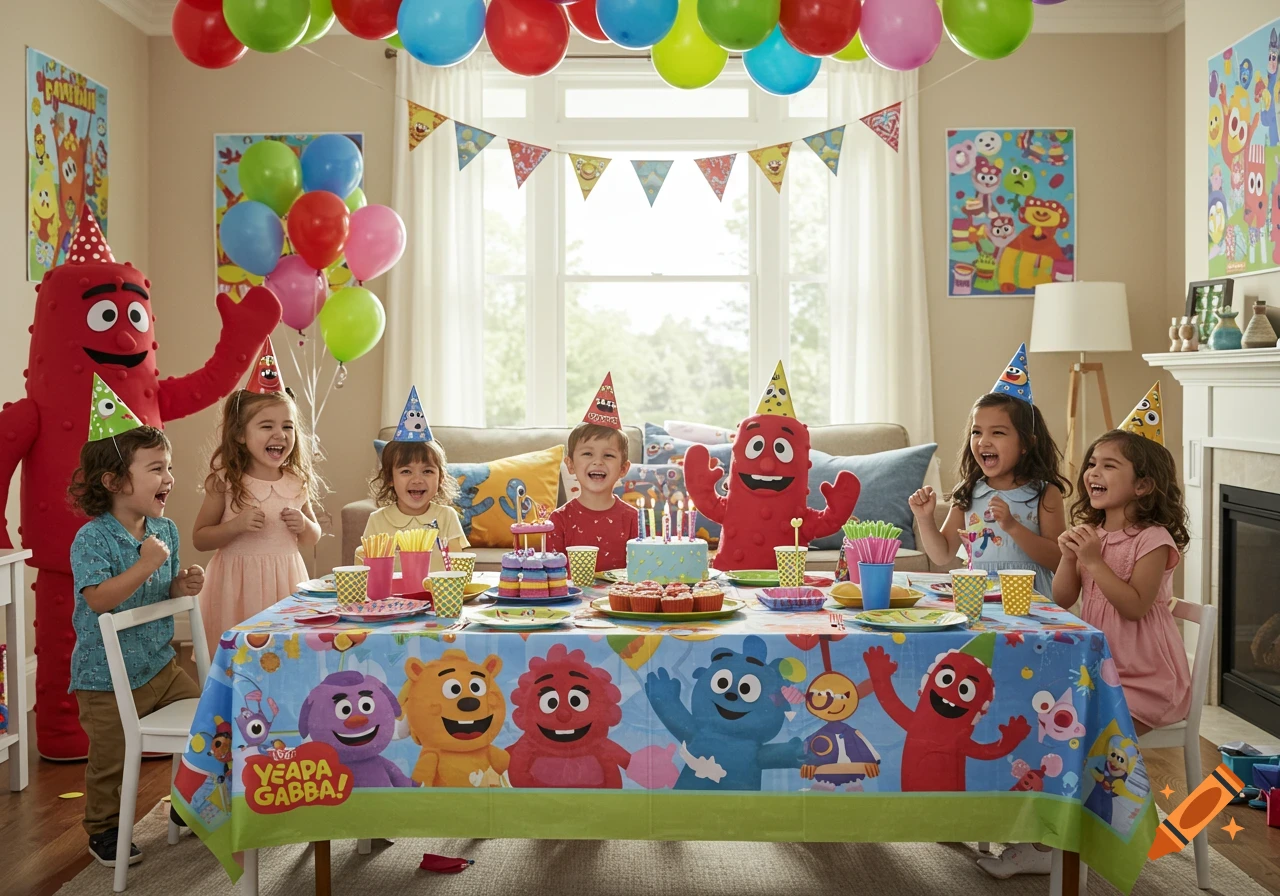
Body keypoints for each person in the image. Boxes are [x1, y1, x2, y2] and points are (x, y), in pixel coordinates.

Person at [68, 388, 204, 867]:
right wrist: (147, 567)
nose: (170, 478)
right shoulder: (93, 538)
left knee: (208, 724)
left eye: (169, 467)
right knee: (111, 760)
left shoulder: (163, 531)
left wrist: (181, 583)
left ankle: (187, 804)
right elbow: (100, 600)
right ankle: (104, 830)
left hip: (160, 665)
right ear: (114, 481)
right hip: (106, 676)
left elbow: (164, 595)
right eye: (156, 469)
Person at [1053, 429, 1192, 733]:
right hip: (1097, 669)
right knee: (1050, 714)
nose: (1093, 473)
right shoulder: (1094, 533)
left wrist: (1092, 561)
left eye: (1109, 465)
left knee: (1085, 731)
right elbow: (1062, 600)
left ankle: (1109, 781)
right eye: (1091, 464)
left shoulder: (1153, 540)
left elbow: (1136, 607)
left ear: (1142, 485)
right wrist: (1068, 557)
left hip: (1146, 680)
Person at [909, 347, 1067, 594]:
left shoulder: (1045, 493)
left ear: (1026, 443)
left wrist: (1013, 527)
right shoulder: (970, 491)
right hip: (978, 597)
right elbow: (942, 554)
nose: (983, 441)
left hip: (1030, 600)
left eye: (998, 432)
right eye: (977, 431)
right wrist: (924, 518)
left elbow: (1058, 560)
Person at [193, 389, 321, 650]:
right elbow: (200, 538)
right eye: (266, 426)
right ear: (240, 434)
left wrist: (304, 525)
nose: (280, 434)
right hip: (236, 587)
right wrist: (235, 526)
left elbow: (312, 537)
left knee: (284, 652)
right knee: (238, 654)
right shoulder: (226, 482)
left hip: (285, 582)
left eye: (288, 426)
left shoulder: (297, 482)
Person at [357, 387, 467, 567]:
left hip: (437, 595)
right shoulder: (377, 521)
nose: (417, 480)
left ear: (440, 478)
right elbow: (368, 569)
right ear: (390, 478)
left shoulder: (447, 516)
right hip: (391, 596)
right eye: (406, 471)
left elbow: (458, 568)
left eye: (427, 471)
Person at [546, 373, 637, 571]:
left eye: (608, 455)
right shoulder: (558, 520)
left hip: (617, 601)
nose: (598, 462)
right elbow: (552, 575)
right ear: (570, 465)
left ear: (623, 469)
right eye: (588, 453)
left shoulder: (633, 519)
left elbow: (640, 573)